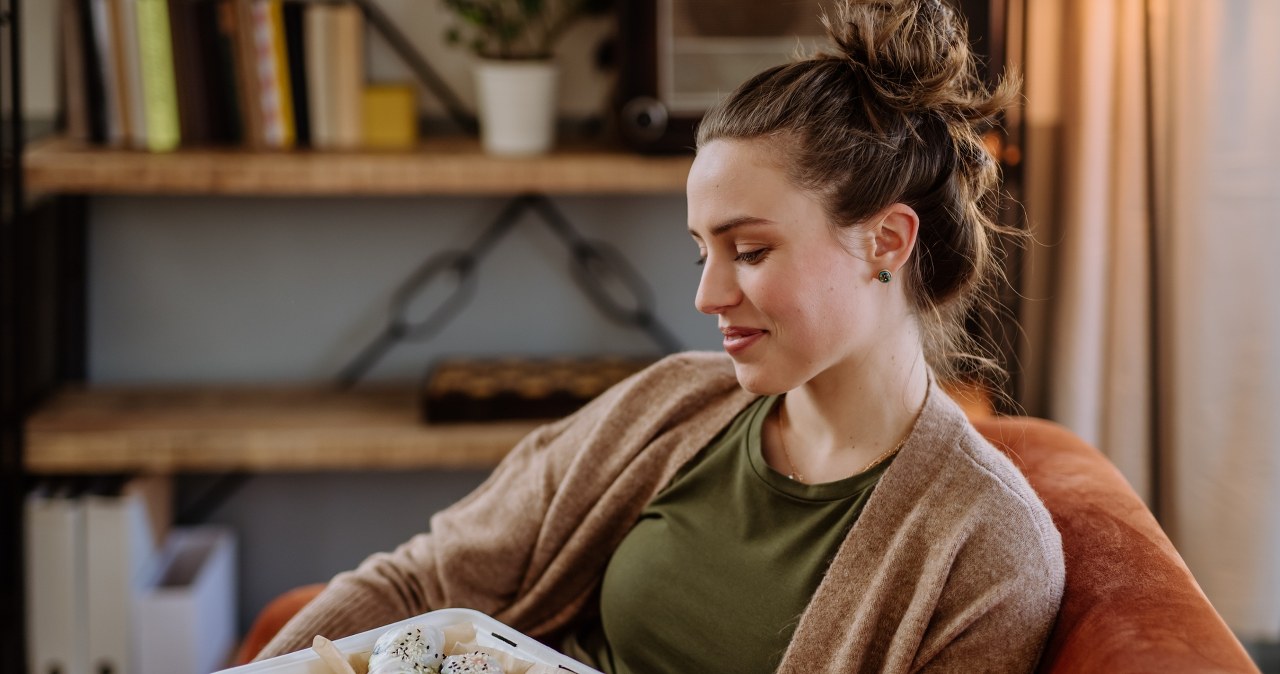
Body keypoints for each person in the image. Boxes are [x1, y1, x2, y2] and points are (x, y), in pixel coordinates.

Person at [256, 0, 1064, 671]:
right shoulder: (673, 402)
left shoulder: (986, 548)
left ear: (886, 242)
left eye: (749, 251)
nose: (708, 295)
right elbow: (418, 582)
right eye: (701, 249)